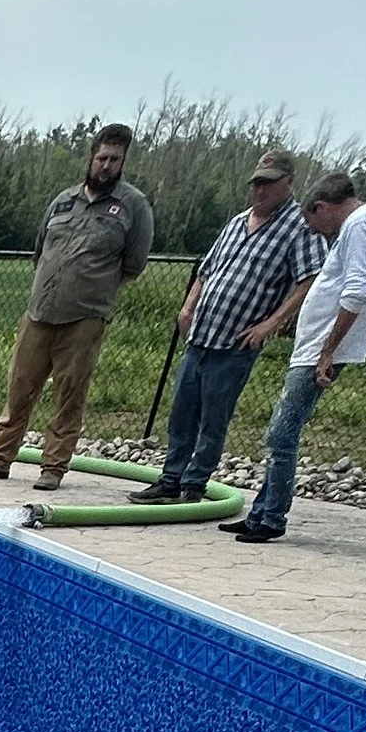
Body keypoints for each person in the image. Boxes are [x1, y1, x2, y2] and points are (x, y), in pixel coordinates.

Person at [0, 126, 155, 493]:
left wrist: (94, 293)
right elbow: (40, 252)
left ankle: (53, 467)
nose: (106, 166)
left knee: (69, 393)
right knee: (20, 388)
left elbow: (133, 264)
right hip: (39, 311)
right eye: (101, 158)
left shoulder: (133, 206)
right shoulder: (63, 201)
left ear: (123, 163)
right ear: (90, 158)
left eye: (114, 160)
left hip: (84, 318)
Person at [129, 150, 321, 506]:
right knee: (182, 412)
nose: (260, 191)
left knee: (213, 418)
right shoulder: (236, 223)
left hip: (236, 342)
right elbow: (207, 270)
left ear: (289, 183)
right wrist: (187, 307)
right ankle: (171, 478)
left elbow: (309, 279)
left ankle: (194, 484)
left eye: (268, 183)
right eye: (257, 183)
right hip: (201, 333)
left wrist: (272, 323)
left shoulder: (298, 227)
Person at [234, 173, 366, 541]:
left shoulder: (360, 224)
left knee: (281, 434)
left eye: (315, 224)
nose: (320, 233)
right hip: (314, 348)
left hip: (319, 351)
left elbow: (357, 291)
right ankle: (261, 511)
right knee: (281, 433)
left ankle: (272, 518)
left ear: (321, 207)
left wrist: (328, 350)